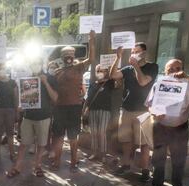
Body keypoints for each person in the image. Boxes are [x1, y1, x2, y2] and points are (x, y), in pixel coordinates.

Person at [145, 59, 189, 186]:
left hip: (180, 129)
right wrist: (153, 113)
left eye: (178, 68)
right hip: (160, 126)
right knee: (158, 160)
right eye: (171, 68)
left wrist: (187, 76)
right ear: (165, 70)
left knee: (178, 161)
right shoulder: (158, 84)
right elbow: (149, 104)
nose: (175, 71)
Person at [109, 43, 159, 182]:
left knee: (143, 143)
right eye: (132, 51)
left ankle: (145, 170)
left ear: (144, 52)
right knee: (125, 140)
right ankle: (125, 164)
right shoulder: (127, 68)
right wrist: (117, 57)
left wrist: (136, 66)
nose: (134, 53)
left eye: (137, 51)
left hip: (143, 111)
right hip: (126, 109)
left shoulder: (152, 67)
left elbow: (143, 82)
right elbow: (113, 75)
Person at [52, 30, 96, 172]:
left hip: (74, 108)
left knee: (73, 137)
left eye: (71, 54)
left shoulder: (79, 67)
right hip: (59, 109)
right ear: (62, 57)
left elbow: (91, 59)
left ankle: (73, 161)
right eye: (66, 55)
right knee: (58, 136)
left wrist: (92, 40)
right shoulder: (57, 72)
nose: (69, 57)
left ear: (74, 55)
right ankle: (57, 161)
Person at [6, 60, 58, 178]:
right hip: (28, 116)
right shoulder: (27, 79)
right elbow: (25, 98)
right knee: (24, 143)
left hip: (44, 117)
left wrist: (45, 82)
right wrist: (21, 106)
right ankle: (17, 167)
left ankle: (38, 166)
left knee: (41, 144)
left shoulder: (50, 78)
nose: (35, 65)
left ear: (41, 64)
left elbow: (55, 98)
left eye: (37, 63)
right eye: (33, 63)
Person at [83, 64, 115, 162]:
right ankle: (94, 153)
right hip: (92, 110)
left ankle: (103, 154)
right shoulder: (93, 84)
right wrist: (85, 108)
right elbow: (89, 97)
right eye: (98, 71)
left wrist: (111, 71)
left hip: (105, 110)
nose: (100, 73)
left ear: (106, 72)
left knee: (101, 132)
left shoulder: (110, 82)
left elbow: (118, 82)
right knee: (94, 133)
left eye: (102, 71)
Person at [0, 64, 18, 162]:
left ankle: (12, 153)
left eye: (3, 68)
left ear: (7, 69)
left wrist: (16, 111)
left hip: (10, 110)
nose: (2, 70)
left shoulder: (12, 82)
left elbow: (15, 97)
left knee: (10, 133)